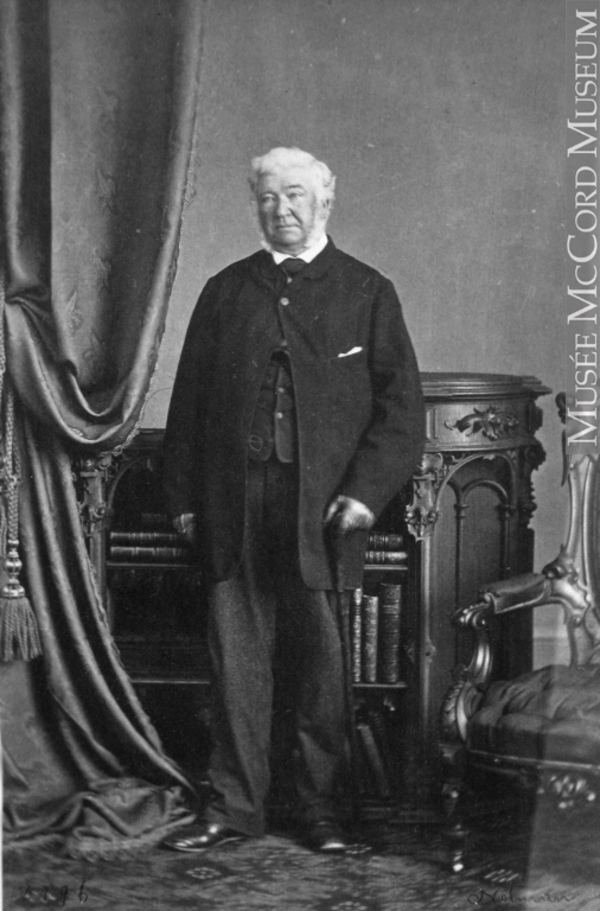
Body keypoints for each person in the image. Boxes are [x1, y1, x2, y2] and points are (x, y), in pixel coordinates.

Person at [162, 146, 424, 854]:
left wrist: (364, 496)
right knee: (236, 657)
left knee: (320, 664)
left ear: (325, 202)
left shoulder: (368, 290)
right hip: (233, 500)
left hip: (324, 508)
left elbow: (402, 415)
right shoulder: (225, 290)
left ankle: (319, 811)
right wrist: (184, 499)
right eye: (269, 198)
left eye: (296, 195)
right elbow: (187, 405)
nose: (281, 209)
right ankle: (233, 807)